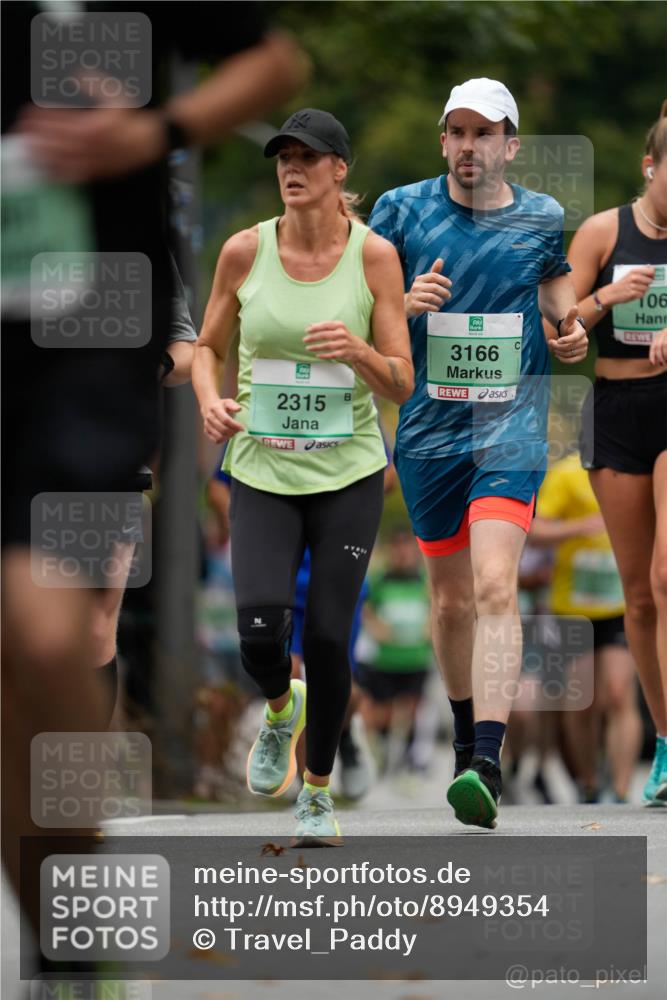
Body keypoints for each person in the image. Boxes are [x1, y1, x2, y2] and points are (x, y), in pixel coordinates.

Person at [1, 0, 306, 935]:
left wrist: (153, 132)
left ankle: (66, 929)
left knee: (56, 637)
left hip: (86, 341)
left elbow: (271, 61)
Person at [369, 78, 587, 829]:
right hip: (428, 432)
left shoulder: (541, 216)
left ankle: (486, 759)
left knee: (495, 586)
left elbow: (557, 301)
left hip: (509, 428)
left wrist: (570, 331)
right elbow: (357, 317)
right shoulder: (398, 210)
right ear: (442, 141)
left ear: (509, 144)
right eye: (455, 132)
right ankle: (464, 742)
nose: (468, 145)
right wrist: (401, 307)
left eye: (483, 132)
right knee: (452, 600)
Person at [193, 107, 413, 846]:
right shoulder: (242, 251)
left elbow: (401, 382)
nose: (292, 168)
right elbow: (205, 345)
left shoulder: (374, 256)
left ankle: (315, 792)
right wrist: (210, 399)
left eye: (308, 158)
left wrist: (356, 350)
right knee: (259, 629)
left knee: (326, 637)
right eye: (283, 158)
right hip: (260, 469)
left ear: (338, 170)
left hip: (347, 473)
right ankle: (278, 705)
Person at [562, 101, 667, 805]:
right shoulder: (606, 229)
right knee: (637, 596)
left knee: (665, 578)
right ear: (649, 167)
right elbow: (557, 326)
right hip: (616, 410)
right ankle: (664, 742)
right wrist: (607, 293)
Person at [530, 452, 643, 803]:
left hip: (618, 603)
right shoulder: (566, 475)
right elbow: (535, 529)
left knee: (619, 692)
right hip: (571, 607)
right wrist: (581, 527)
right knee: (580, 703)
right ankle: (590, 783)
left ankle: (622, 790)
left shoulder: (635, 467)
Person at [356, 528, 433, 775]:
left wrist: (429, 630)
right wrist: (377, 628)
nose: (402, 553)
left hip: (415, 657)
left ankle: (411, 758)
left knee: (412, 707)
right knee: (384, 714)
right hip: (385, 660)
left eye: (406, 547)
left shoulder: (424, 580)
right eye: (397, 547)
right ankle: (384, 751)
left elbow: (438, 606)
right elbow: (365, 608)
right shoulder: (379, 580)